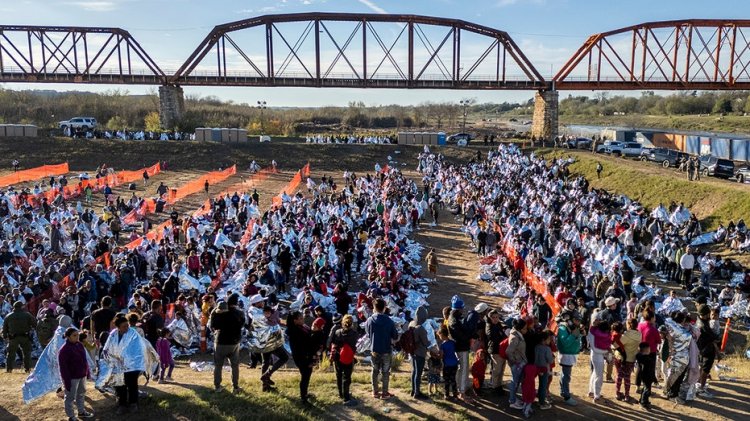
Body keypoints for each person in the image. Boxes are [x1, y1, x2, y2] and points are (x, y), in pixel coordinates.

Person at [208, 294, 245, 393]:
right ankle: (235, 387)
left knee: (218, 365)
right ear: (236, 303)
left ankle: (217, 386)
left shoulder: (218, 311)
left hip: (220, 341)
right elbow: (243, 324)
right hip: (234, 342)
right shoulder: (239, 313)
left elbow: (212, 326)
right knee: (235, 365)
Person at [364, 298, 398, 399]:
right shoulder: (389, 321)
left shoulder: (369, 320)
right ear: (384, 308)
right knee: (385, 372)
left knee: (374, 371)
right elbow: (395, 336)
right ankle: (384, 393)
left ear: (374, 307)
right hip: (386, 349)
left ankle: (375, 392)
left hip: (374, 349)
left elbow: (367, 333)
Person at [58, 327, 93, 421]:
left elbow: (84, 360)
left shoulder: (79, 345)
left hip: (82, 375)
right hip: (72, 377)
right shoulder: (64, 350)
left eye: (77, 335)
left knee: (81, 394)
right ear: (68, 337)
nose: (77, 337)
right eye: (74, 335)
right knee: (70, 397)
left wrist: (87, 372)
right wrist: (66, 381)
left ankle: (81, 412)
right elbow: (63, 368)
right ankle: (71, 416)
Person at [286, 310, 315, 405]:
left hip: (306, 355)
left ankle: (305, 393)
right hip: (301, 356)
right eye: (301, 318)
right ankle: (303, 398)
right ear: (295, 320)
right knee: (305, 375)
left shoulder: (301, 327)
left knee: (307, 374)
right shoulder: (294, 331)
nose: (303, 320)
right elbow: (301, 345)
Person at [330, 314, 359, 406]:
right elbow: (355, 346)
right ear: (352, 323)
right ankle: (346, 397)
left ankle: (341, 393)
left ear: (342, 322)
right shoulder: (354, 334)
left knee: (339, 375)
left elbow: (334, 343)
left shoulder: (337, 332)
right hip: (348, 358)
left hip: (338, 357)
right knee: (347, 377)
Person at [2, 301, 37, 372]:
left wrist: (5, 336)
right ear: (21, 306)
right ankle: (27, 368)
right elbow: (35, 324)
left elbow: (4, 328)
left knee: (11, 353)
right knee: (27, 353)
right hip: (25, 337)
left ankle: (9, 369)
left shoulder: (8, 316)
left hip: (13, 337)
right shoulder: (27, 315)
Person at [612, 319, 640, 402]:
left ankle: (617, 393)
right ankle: (627, 395)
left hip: (621, 358)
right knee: (627, 377)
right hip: (631, 359)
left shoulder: (626, 335)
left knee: (619, 376)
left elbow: (615, 345)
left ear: (629, 325)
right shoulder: (639, 334)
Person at [556, 313, 581, 406]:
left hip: (571, 354)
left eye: (579, 320)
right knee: (566, 376)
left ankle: (563, 391)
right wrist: (574, 335)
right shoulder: (563, 328)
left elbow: (576, 339)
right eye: (576, 320)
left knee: (564, 375)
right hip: (566, 355)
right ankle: (566, 396)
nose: (578, 322)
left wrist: (579, 335)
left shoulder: (573, 328)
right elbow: (565, 343)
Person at [409, 305, 431, 400]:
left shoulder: (411, 324)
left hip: (412, 352)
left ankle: (413, 390)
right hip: (420, 353)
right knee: (418, 373)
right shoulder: (421, 329)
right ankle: (417, 393)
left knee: (414, 371)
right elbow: (425, 343)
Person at [588, 318, 611, 403]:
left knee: (595, 373)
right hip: (597, 356)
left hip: (596, 356)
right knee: (599, 376)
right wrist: (606, 351)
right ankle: (596, 395)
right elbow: (595, 349)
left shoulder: (593, 331)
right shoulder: (594, 333)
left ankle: (591, 391)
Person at [507, 318, 528, 409]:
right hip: (517, 364)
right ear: (520, 329)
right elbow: (509, 351)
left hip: (519, 362)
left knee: (517, 381)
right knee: (514, 382)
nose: (526, 330)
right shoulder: (515, 338)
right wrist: (514, 361)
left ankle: (513, 398)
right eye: (525, 328)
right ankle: (512, 401)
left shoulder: (518, 335)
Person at [486, 309, 507, 394]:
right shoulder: (489, 326)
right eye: (493, 317)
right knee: (496, 370)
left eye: (497, 317)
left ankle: (499, 386)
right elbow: (491, 336)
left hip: (501, 350)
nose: (495, 319)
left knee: (501, 369)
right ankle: (494, 387)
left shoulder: (499, 325)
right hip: (495, 350)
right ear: (490, 318)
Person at [439, 326, 458, 400]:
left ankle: (446, 395)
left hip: (447, 365)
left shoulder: (442, 345)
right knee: (453, 380)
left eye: (439, 335)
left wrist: (435, 354)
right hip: (454, 363)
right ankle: (455, 395)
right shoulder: (453, 342)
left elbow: (441, 356)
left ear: (442, 334)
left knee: (446, 380)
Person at [635, 342, 655, 410]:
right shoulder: (647, 359)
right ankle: (643, 403)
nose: (650, 350)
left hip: (645, 376)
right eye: (649, 349)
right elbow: (649, 369)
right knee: (647, 391)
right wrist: (653, 378)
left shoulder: (641, 357)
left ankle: (642, 400)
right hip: (647, 377)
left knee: (645, 389)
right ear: (646, 350)